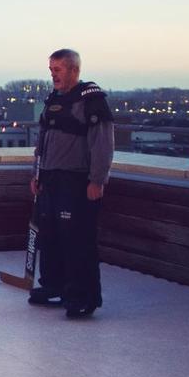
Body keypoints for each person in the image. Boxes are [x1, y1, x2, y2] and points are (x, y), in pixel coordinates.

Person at [29, 48, 114, 319]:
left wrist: (97, 180)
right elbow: (42, 142)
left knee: (77, 240)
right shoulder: (53, 99)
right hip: (50, 180)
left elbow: (103, 144)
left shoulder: (91, 100)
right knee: (50, 237)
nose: (53, 75)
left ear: (74, 70)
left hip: (77, 181)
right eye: (51, 70)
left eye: (58, 70)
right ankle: (53, 285)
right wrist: (37, 175)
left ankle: (81, 296)